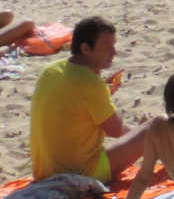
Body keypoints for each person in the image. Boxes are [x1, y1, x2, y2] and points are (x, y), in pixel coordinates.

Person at [29, 17, 145, 182]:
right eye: (106, 46)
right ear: (85, 48)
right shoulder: (91, 84)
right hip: (80, 174)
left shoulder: (50, 70)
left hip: (44, 172)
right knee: (152, 131)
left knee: (138, 132)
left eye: (113, 45)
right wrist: (102, 91)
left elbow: (74, 103)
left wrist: (102, 91)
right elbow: (116, 130)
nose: (113, 52)